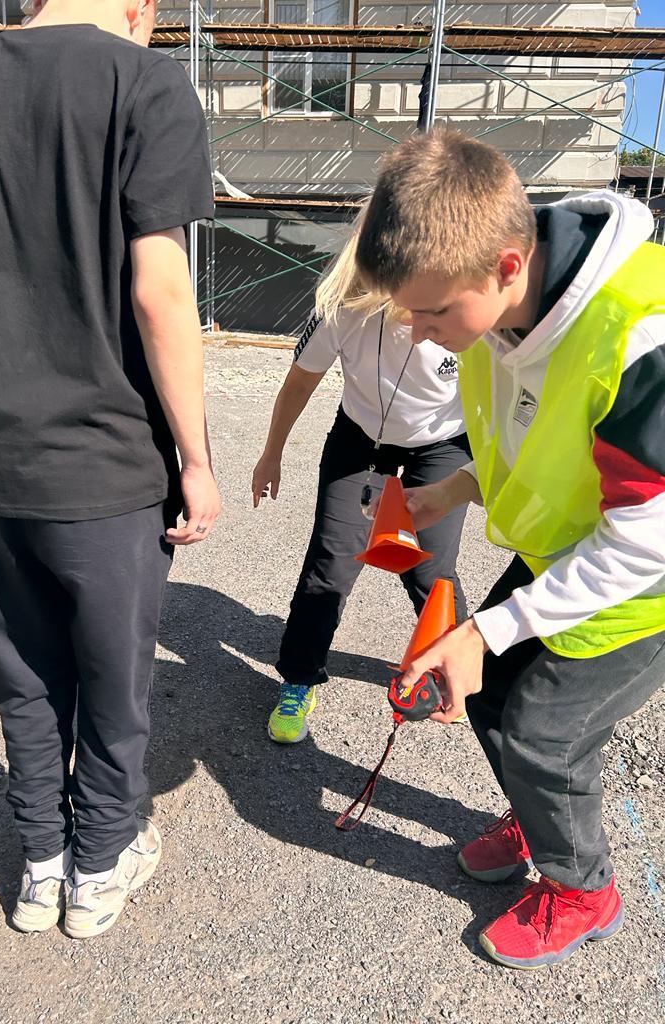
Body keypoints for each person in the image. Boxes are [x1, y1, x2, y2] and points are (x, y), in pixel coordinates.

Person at [0, 0, 220, 939]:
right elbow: (160, 293)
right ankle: (102, 863)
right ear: (142, 7)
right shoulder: (146, 81)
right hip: (107, 460)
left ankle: (42, 865)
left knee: (25, 672)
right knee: (114, 680)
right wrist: (197, 458)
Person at [354, 130, 665, 969]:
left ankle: (584, 889)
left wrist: (486, 629)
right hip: (571, 546)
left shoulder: (641, 333)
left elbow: (647, 541)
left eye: (430, 312)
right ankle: (541, 819)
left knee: (542, 734)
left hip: (643, 581)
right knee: (490, 698)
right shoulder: (493, 309)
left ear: (506, 266)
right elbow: (539, 438)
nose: (417, 332)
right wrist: (454, 489)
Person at [252, 225, 470, 744]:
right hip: (360, 438)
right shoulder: (340, 307)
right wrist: (271, 454)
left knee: (430, 569)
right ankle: (299, 678)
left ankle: (453, 667)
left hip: (441, 443)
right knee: (331, 561)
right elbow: (300, 382)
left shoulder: (460, 310)